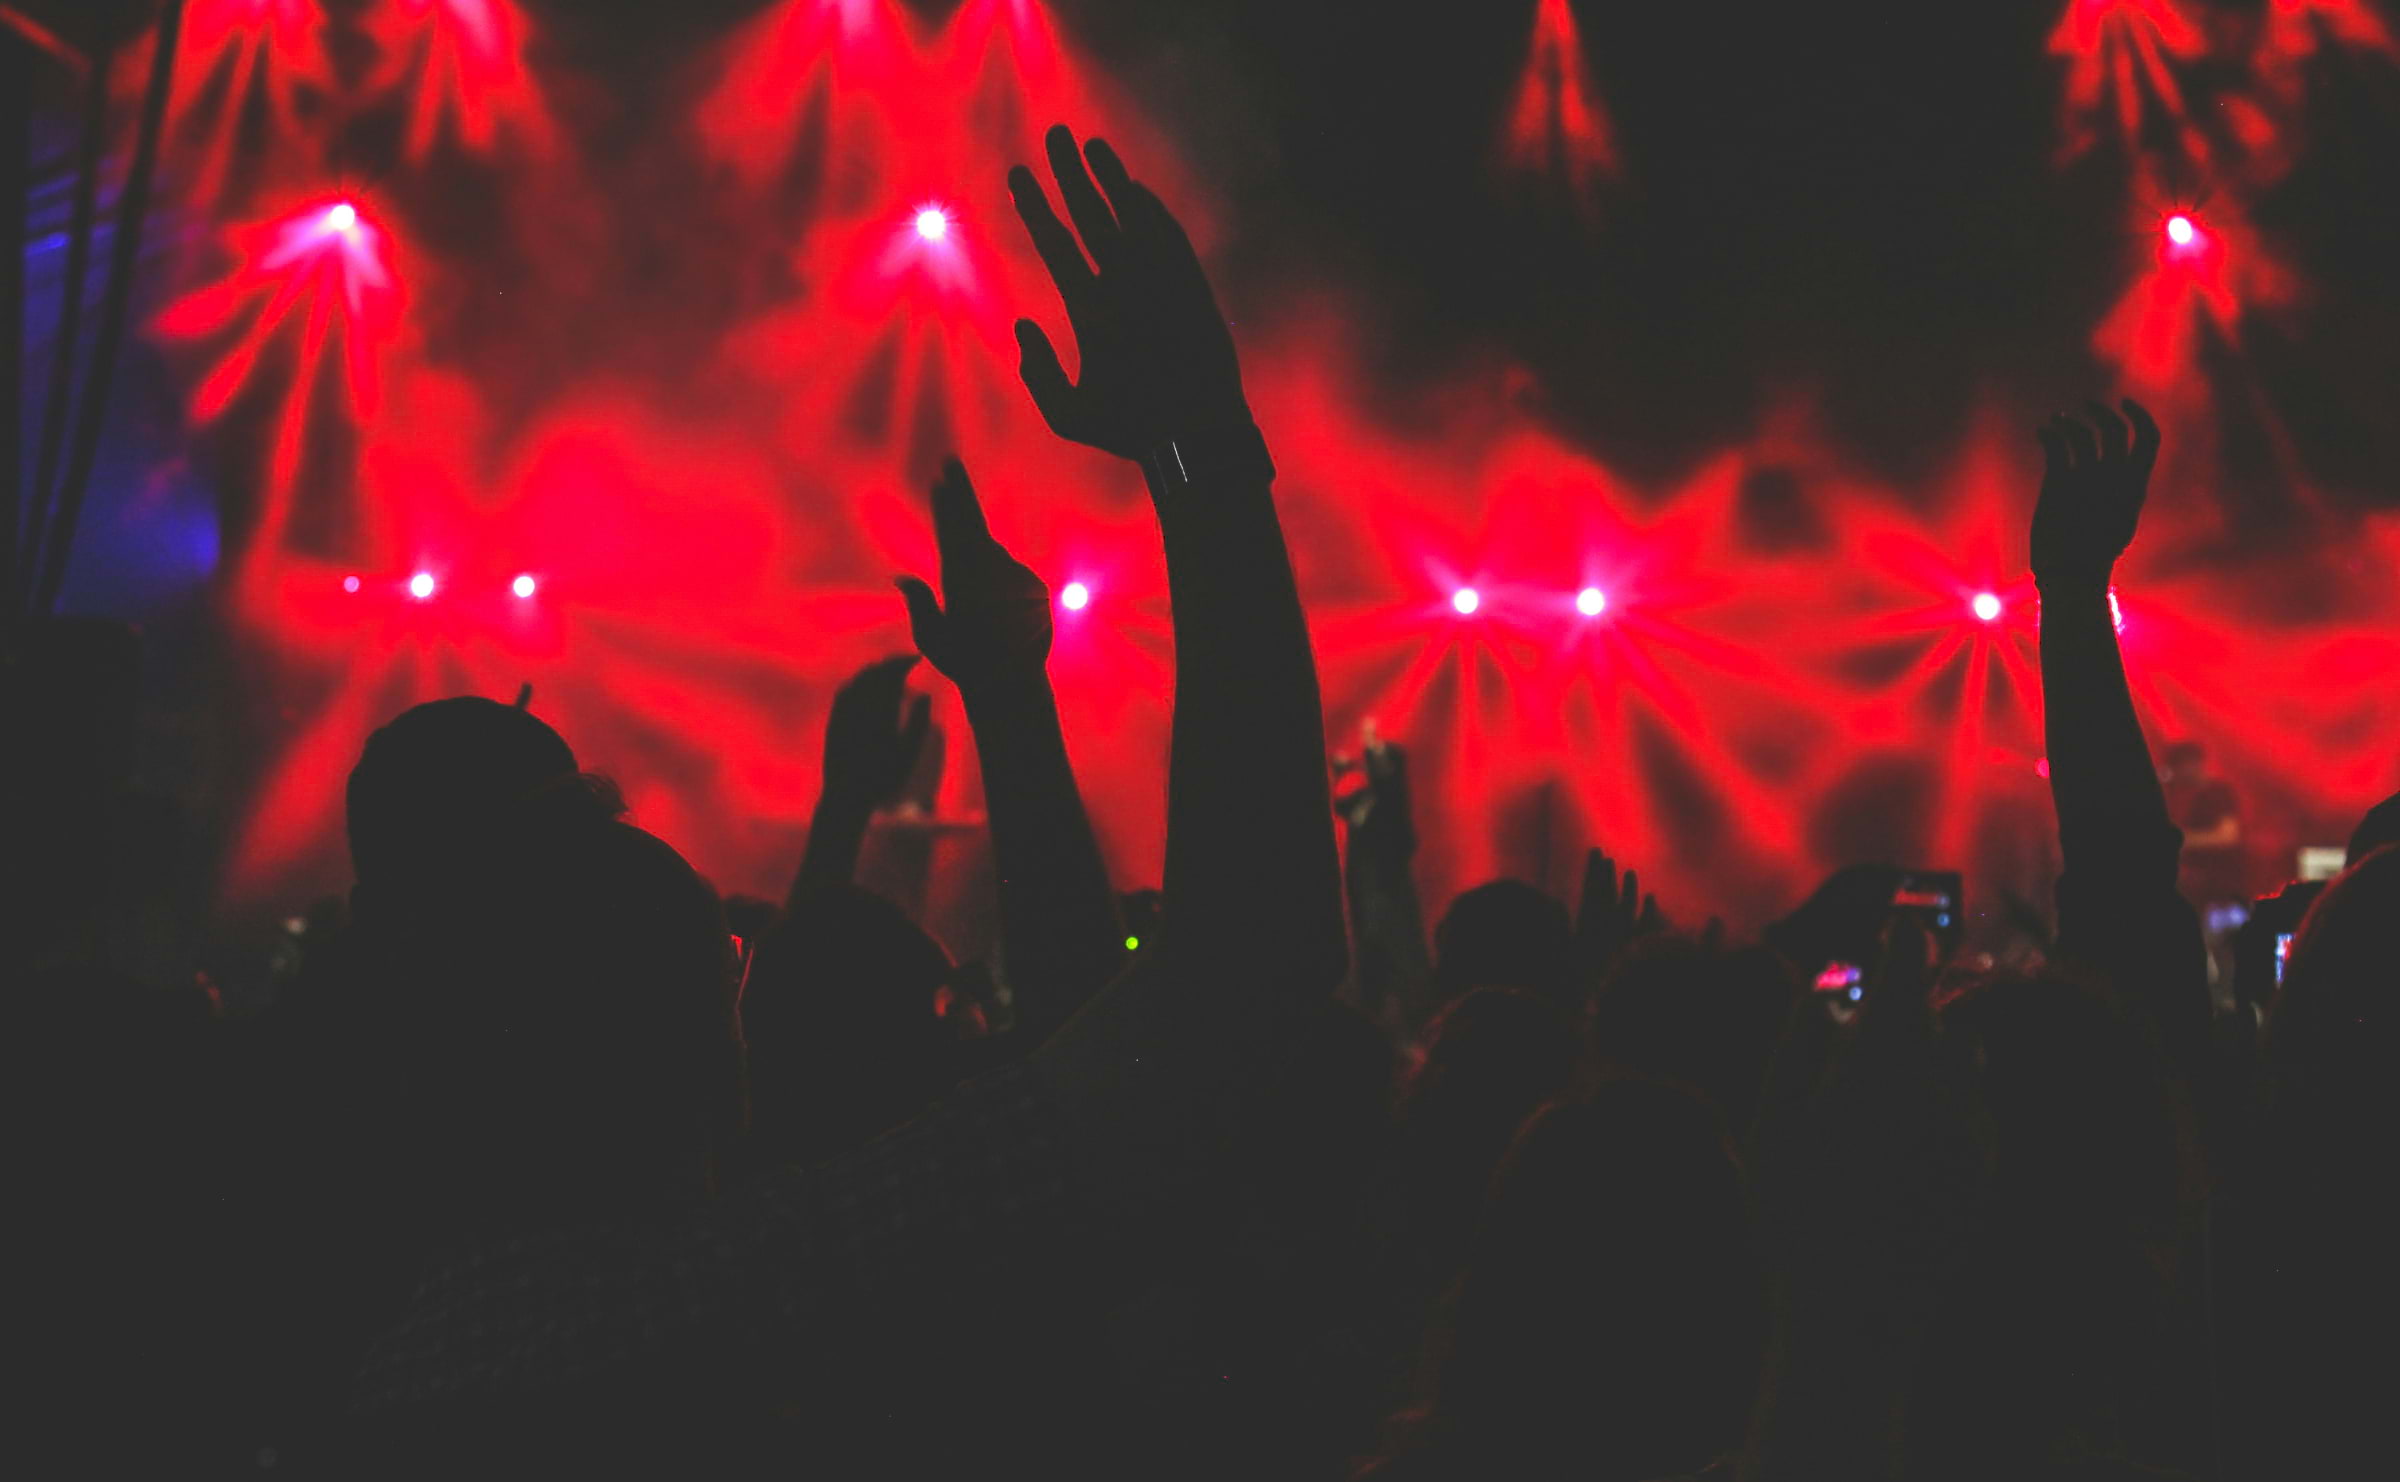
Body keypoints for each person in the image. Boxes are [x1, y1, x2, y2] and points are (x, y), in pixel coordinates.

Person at [339, 124, 1347, 1470]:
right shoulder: (689, 1304)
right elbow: (1231, 991)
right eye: (727, 986)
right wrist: (1200, 457)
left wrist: (1006, 704)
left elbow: (1091, 1026)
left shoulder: (414, 1340)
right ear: (684, 1054)